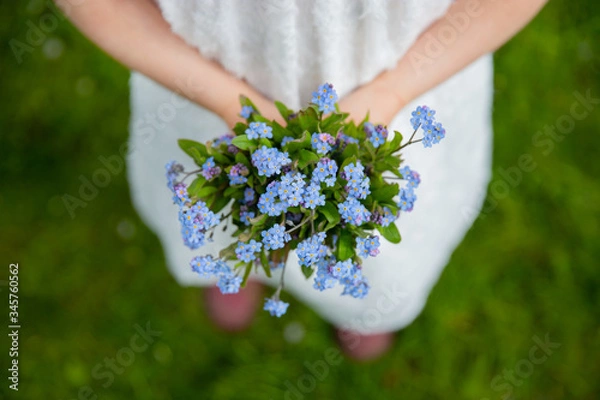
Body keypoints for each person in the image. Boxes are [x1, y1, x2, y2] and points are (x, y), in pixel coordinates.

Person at [61, 0, 548, 360]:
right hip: (210, 81)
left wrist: (394, 90)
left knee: (378, 260)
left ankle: (363, 307)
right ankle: (235, 269)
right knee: (220, 213)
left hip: (397, 81)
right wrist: (232, 105)